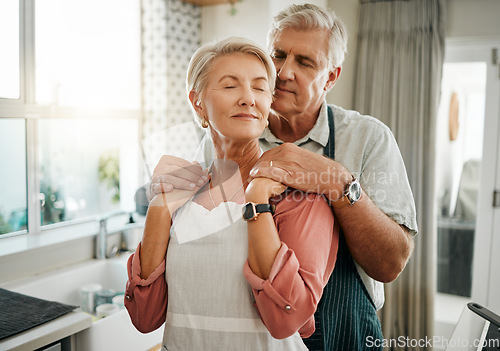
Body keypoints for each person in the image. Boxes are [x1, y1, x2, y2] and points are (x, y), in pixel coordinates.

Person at [146, 4, 418, 350]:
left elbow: (391, 263)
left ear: (331, 77)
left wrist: (337, 183)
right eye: (278, 54)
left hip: (343, 329)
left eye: (304, 62)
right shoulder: (225, 135)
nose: (284, 72)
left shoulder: (367, 138)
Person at [125, 37, 339, 350]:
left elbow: (285, 322)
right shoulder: (178, 192)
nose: (248, 98)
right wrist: (159, 210)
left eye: (259, 87)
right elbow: (145, 319)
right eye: (230, 86)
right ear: (198, 102)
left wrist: (257, 201)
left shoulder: (299, 196)